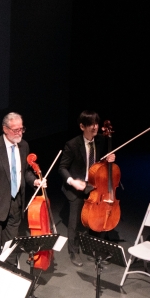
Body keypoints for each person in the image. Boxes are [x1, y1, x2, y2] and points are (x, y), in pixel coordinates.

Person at [0, 112, 42, 260]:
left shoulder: (24, 145)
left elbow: (24, 171)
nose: (19, 133)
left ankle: (9, 270)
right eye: (15, 130)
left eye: (21, 129)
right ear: (5, 129)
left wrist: (34, 181)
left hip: (16, 201)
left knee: (11, 243)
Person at [58, 110, 116, 267]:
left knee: (97, 219)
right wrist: (72, 181)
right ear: (82, 126)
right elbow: (62, 168)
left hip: (94, 186)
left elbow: (100, 164)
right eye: (91, 124)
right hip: (76, 187)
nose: (95, 127)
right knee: (75, 222)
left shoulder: (100, 141)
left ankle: (93, 249)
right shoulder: (72, 145)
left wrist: (109, 159)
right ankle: (73, 252)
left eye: (97, 123)